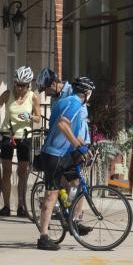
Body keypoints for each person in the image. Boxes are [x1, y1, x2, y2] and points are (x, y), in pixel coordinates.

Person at [36, 76, 95, 251]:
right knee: (51, 195)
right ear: (88, 93)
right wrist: (79, 145)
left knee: (77, 182)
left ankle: (73, 220)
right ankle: (43, 237)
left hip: (65, 153)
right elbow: (63, 124)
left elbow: (70, 129)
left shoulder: (66, 101)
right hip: (54, 154)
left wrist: (82, 145)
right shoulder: (75, 104)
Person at [0, 66, 41, 217]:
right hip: (7, 134)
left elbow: (38, 117)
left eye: (22, 85)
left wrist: (29, 117)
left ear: (28, 85)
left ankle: (21, 206)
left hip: (24, 136)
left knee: (22, 172)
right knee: (7, 171)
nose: (19, 87)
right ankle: (6, 206)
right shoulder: (8, 94)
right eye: (17, 83)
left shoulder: (33, 97)